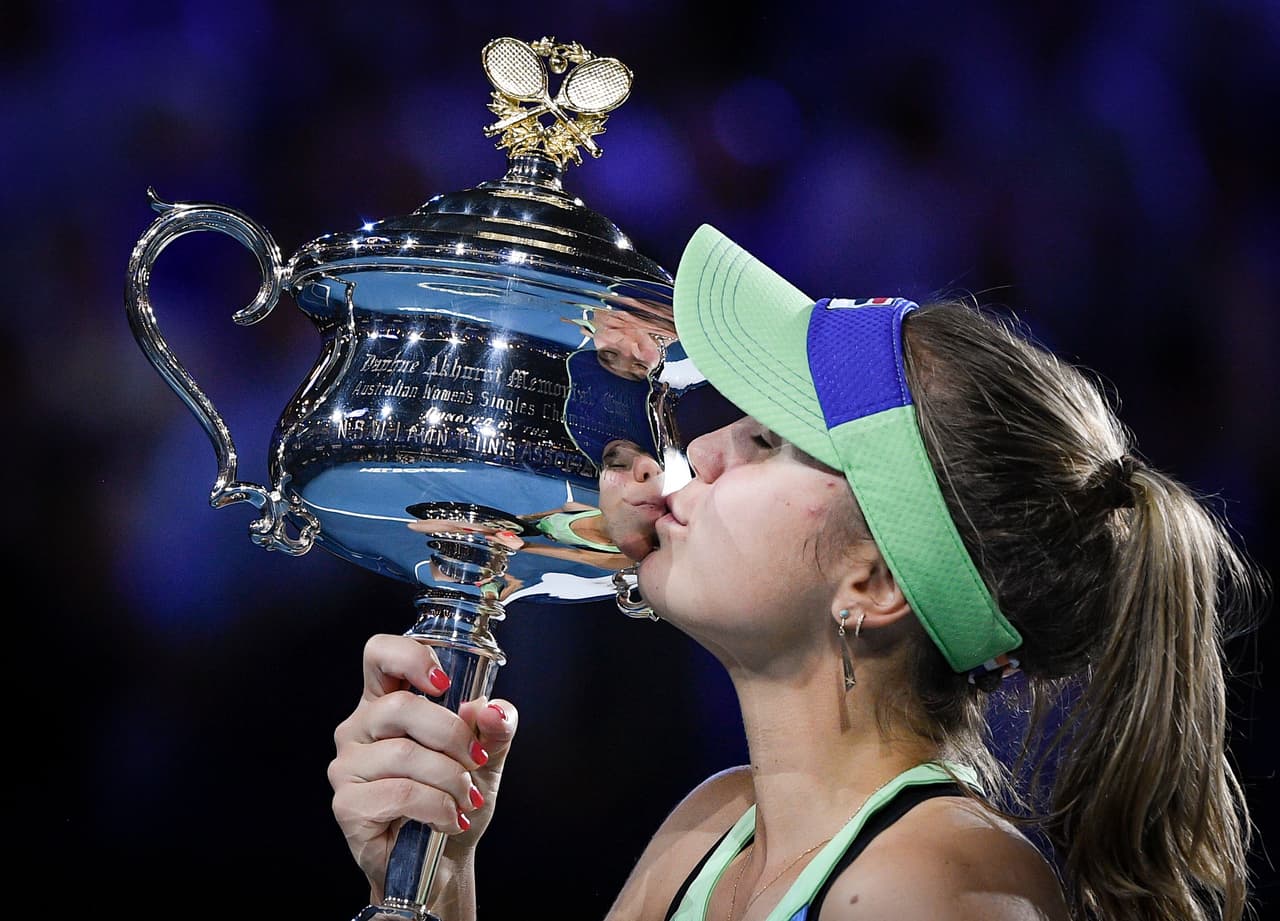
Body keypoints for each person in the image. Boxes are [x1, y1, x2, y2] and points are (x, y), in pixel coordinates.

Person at [328, 225, 1264, 921]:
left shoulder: (932, 887)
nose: (706, 448)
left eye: (770, 438)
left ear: (876, 584)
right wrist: (432, 882)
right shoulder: (709, 825)